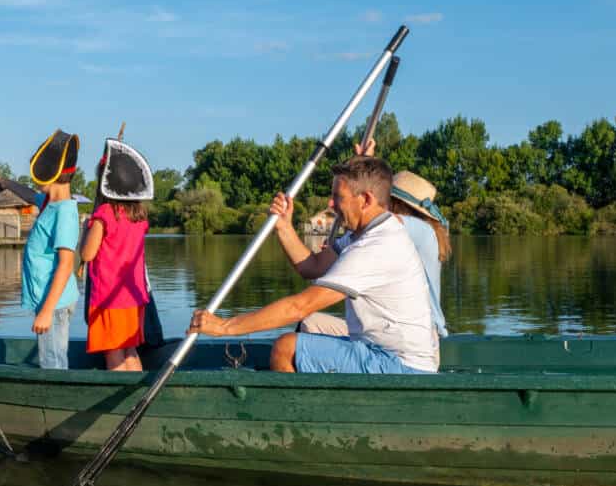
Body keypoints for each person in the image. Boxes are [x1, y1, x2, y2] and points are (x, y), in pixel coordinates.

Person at [187, 156, 438, 374]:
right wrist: (284, 226)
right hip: (380, 352)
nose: (331, 204)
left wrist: (224, 326)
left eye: (338, 197)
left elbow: (300, 306)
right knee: (301, 336)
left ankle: (300, 425)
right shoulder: (360, 236)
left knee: (287, 348)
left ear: (366, 199)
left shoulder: (376, 246)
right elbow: (313, 267)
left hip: (400, 365)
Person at [297, 169, 450, 351]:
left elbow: (377, 221)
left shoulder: (421, 230)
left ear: (395, 204)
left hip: (418, 338)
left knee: (303, 333)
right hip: (381, 330)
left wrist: (358, 196)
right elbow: (316, 266)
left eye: (384, 198)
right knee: (309, 323)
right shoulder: (379, 237)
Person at [0, 129, 80, 369]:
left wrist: (47, 311)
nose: (35, 182)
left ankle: (57, 401)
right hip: (47, 298)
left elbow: (66, 264)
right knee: (51, 356)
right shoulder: (50, 202)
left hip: (55, 303)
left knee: (52, 361)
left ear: (47, 176)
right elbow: (30, 195)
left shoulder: (65, 213)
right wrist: (4, 183)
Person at [81, 138, 154, 371]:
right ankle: (136, 393)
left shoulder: (104, 214)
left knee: (113, 351)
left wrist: (85, 231)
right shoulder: (139, 217)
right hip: (134, 298)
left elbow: (88, 253)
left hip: (109, 298)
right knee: (129, 349)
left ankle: (120, 403)